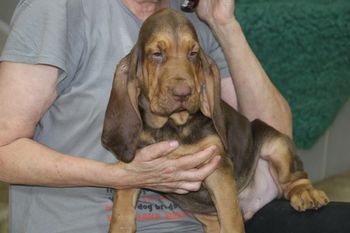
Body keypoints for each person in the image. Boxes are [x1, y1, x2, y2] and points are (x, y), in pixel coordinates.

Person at [0, 0, 315, 232]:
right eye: (158, 55)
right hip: (88, 223)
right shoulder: (59, 9)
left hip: (203, 220)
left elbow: (274, 135)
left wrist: (224, 24)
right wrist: (120, 176)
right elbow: (4, 150)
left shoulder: (192, 21)